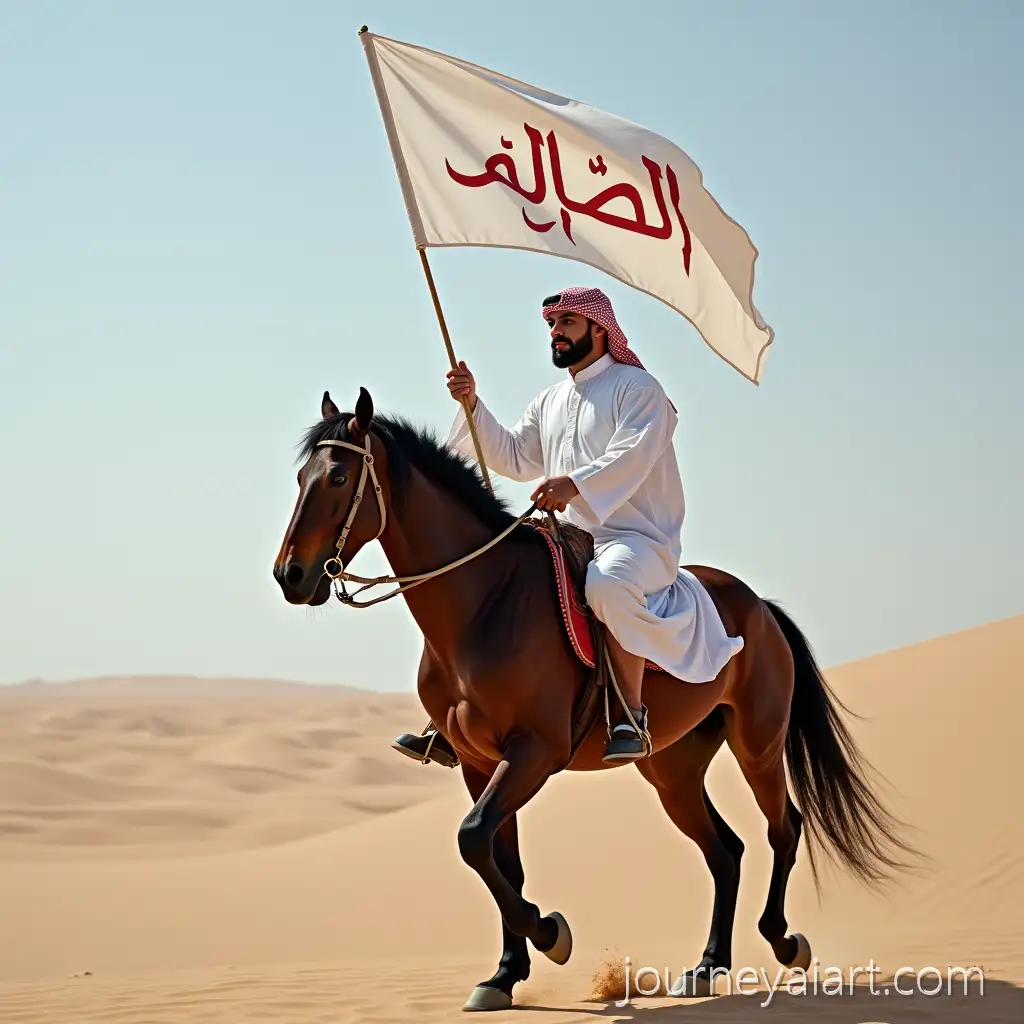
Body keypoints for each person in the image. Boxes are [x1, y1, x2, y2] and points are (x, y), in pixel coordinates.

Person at [391, 286, 744, 767]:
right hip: (568, 538)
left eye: (567, 324)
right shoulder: (550, 400)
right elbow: (515, 456)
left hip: (636, 541)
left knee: (608, 584)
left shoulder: (640, 390)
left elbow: (633, 457)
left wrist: (574, 485)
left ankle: (629, 715)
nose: (555, 334)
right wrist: (474, 406)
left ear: (600, 328)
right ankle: (453, 716)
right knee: (490, 585)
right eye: (552, 326)